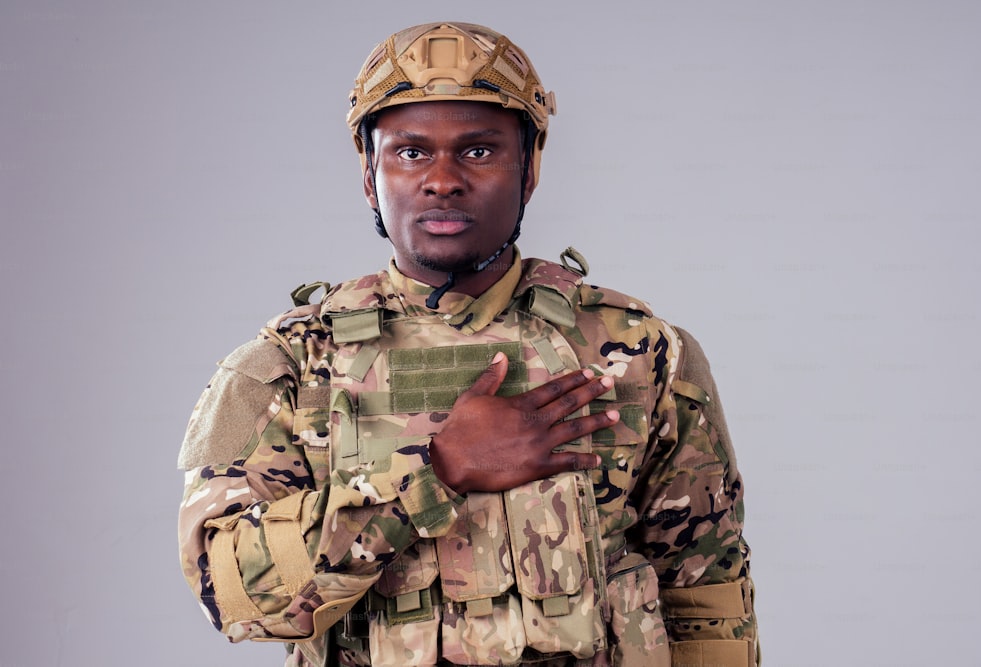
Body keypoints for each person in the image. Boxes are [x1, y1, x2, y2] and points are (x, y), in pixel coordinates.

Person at [178, 22, 759, 667]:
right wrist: (437, 471)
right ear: (370, 175)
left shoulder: (641, 350)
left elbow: (707, 594)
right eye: (409, 152)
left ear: (530, 169)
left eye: (479, 152)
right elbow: (239, 600)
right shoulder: (287, 368)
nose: (444, 179)